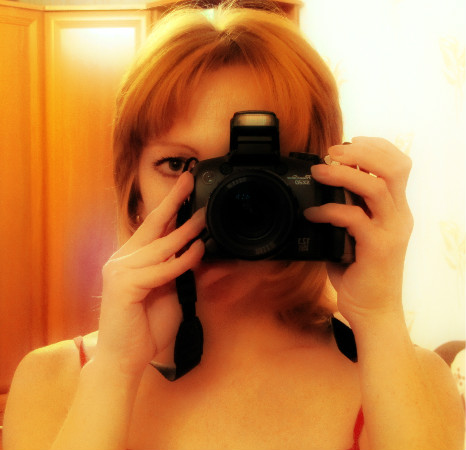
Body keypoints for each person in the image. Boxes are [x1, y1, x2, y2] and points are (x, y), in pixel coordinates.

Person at [3, 2, 465, 450]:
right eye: (179, 164)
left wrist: (379, 316)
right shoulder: (55, 380)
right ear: (134, 190)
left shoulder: (412, 383)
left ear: (322, 182)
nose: (228, 201)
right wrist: (115, 372)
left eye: (257, 171)